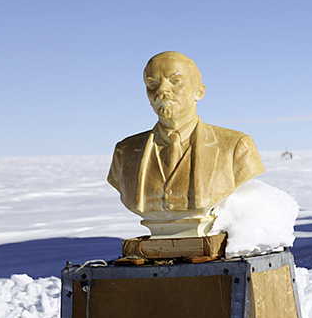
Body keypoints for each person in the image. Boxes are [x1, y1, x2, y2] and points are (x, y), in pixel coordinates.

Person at [108, 51, 264, 238]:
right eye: (152, 83)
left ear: (199, 92)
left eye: (175, 81)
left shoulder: (236, 146)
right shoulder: (125, 152)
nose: (162, 91)